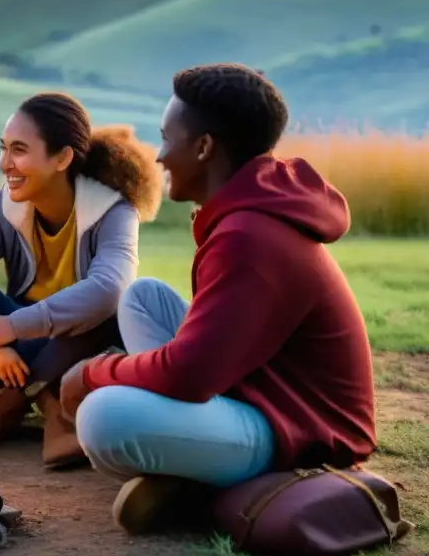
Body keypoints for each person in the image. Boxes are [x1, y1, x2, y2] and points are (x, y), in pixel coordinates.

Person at [61, 64, 377, 534]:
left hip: (300, 429)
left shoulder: (248, 235)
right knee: (142, 298)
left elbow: (189, 374)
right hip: (262, 391)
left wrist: (92, 373)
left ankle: (201, 484)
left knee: (101, 418)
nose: (161, 157)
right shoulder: (249, 215)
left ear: (205, 147)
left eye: (167, 139)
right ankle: (190, 471)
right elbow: (200, 361)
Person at [0, 92, 164, 468]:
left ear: (63, 158)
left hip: (88, 346)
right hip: (21, 347)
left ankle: (4, 409)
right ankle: (53, 409)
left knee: (106, 306)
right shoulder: (7, 204)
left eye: (19, 150)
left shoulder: (113, 210)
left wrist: (11, 326)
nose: (6, 163)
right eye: (3, 149)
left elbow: (109, 289)